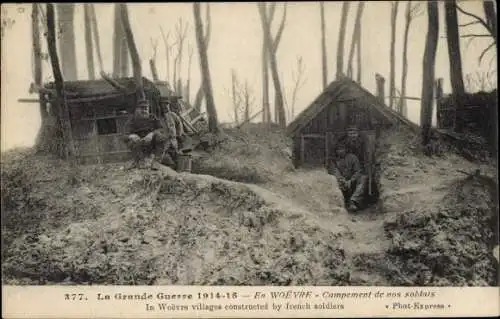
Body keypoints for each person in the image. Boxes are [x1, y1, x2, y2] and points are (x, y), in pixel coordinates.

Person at [123, 100, 164, 169]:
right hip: (139, 143)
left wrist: (152, 134)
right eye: (142, 108)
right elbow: (124, 136)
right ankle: (139, 161)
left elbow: (161, 129)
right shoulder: (132, 120)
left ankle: (156, 162)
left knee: (160, 137)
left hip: (151, 143)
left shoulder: (153, 117)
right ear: (137, 109)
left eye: (146, 108)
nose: (144, 111)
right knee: (131, 142)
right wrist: (131, 136)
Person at [327, 144, 368, 212]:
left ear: (346, 150)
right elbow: (335, 172)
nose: (340, 151)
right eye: (338, 150)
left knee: (363, 178)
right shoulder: (333, 160)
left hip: (352, 182)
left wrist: (351, 180)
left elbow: (358, 171)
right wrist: (342, 180)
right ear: (336, 151)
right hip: (341, 183)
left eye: (342, 149)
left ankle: (353, 201)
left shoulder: (353, 157)